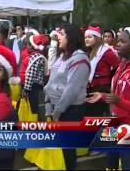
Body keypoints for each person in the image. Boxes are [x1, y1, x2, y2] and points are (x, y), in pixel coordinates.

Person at [87, 26, 130, 170]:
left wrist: (120, 102)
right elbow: (118, 95)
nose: (117, 44)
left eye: (123, 42)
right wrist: (103, 96)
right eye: (118, 40)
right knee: (110, 162)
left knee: (127, 164)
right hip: (115, 122)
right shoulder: (123, 65)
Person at [44, 24, 90, 170]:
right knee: (61, 148)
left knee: (68, 151)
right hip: (56, 107)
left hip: (69, 110)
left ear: (71, 37)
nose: (58, 36)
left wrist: (57, 111)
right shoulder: (62, 57)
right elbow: (51, 82)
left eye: (62, 34)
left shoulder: (80, 59)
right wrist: (48, 106)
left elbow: (72, 89)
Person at [84, 26, 120, 117]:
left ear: (97, 38)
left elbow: (118, 66)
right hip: (90, 86)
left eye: (90, 37)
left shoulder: (106, 51)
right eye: (85, 37)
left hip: (102, 87)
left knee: (97, 117)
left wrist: (109, 78)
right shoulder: (89, 51)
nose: (86, 39)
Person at [21, 34, 48, 121]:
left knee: (33, 108)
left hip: (33, 88)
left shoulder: (36, 58)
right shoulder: (35, 56)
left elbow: (30, 74)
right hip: (33, 87)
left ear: (33, 46)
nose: (27, 46)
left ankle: (34, 124)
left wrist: (26, 90)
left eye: (28, 44)